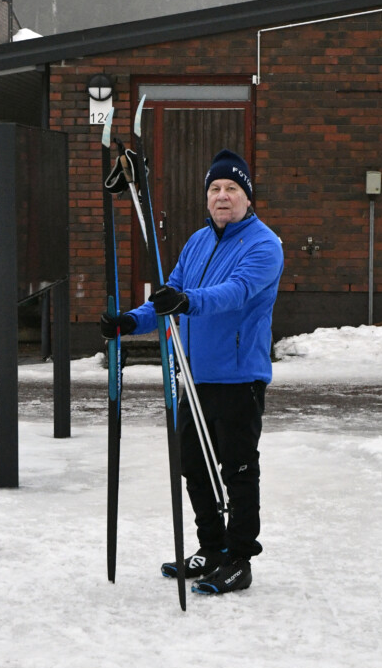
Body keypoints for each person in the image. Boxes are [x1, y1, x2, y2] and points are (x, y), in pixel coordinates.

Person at [101, 149, 284, 595]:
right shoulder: (198, 242)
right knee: (194, 466)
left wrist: (188, 303)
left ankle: (239, 558)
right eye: (216, 189)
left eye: (232, 189)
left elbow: (235, 293)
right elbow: (170, 295)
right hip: (194, 373)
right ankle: (211, 548)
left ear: (247, 197)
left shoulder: (264, 244)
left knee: (237, 469)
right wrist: (130, 322)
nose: (223, 197)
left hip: (239, 376)